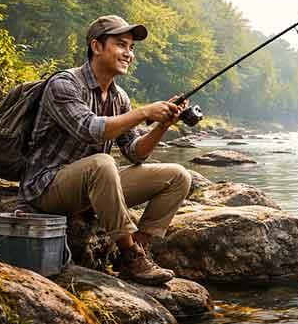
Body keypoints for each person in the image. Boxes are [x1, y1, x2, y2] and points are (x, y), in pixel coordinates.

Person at [17, 15, 192, 285]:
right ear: (97, 47)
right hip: (46, 187)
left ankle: (137, 254)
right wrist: (144, 111)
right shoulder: (64, 84)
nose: (128, 54)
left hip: (94, 186)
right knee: (102, 163)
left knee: (178, 176)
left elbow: (135, 153)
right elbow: (90, 129)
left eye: (131, 48)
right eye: (121, 45)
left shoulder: (119, 97)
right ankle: (128, 250)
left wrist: (161, 125)